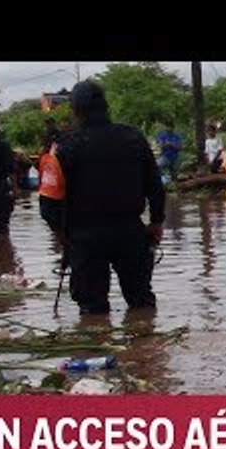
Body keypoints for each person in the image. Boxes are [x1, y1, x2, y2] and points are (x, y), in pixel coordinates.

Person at [54, 80, 165, 315]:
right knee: (141, 300)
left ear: (75, 110)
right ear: (106, 106)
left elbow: (49, 200)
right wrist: (157, 221)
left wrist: (60, 233)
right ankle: (147, 347)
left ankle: (102, 346)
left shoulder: (65, 146)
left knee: (92, 309)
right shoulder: (133, 138)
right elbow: (156, 185)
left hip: (85, 236)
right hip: (130, 231)